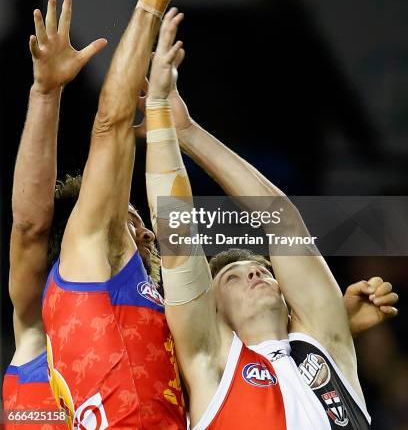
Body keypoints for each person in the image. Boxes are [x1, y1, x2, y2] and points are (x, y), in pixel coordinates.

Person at [144, 27, 399, 429]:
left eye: (263, 271)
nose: (254, 272)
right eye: (231, 278)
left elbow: (281, 219)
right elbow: (176, 236)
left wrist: (189, 132)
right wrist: (158, 116)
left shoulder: (325, 345)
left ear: (287, 299)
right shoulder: (211, 366)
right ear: (213, 312)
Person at [41, 0, 199, 428]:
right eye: (134, 224)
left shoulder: (140, 302)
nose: (148, 234)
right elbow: (109, 124)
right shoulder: (88, 256)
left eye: (136, 223)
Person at [2, 0, 106, 428]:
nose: (141, 236)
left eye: (141, 231)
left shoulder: (158, 328)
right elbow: (29, 227)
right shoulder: (37, 331)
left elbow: (111, 130)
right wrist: (45, 92)